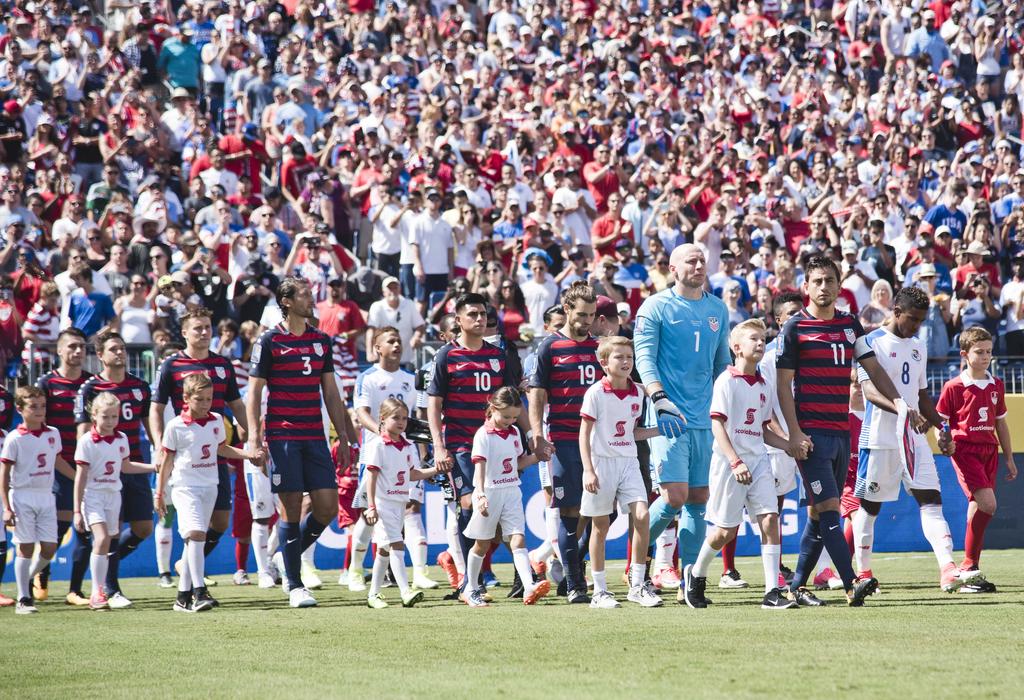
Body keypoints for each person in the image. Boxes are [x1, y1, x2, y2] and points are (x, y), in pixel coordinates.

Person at [776, 255, 910, 607]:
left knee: (819, 515)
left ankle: (795, 587)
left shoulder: (851, 325)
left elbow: (874, 369)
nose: (823, 287)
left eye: (829, 281)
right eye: (817, 281)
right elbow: (782, 386)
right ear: (806, 286)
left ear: (839, 286)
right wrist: (793, 434)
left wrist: (898, 402)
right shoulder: (794, 328)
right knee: (832, 508)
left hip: (842, 432)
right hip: (812, 435)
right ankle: (852, 583)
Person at [853, 286, 970, 593]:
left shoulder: (918, 345)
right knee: (870, 507)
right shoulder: (869, 342)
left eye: (921, 320)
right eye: (912, 319)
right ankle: (863, 573)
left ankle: (947, 569)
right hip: (880, 436)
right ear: (896, 311)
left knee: (931, 499)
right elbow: (869, 392)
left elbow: (921, 396)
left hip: (914, 436)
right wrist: (903, 410)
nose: (917, 326)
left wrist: (940, 427)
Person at [245, 277, 352, 608]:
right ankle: (294, 585)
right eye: (305, 296)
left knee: (327, 507)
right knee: (290, 507)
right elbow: (254, 392)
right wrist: (254, 436)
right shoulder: (270, 340)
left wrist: (344, 437)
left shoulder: (321, 341)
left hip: (315, 435)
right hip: (282, 434)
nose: (312, 301)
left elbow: (331, 393)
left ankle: (283, 557)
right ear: (287, 301)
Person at [633, 243, 731, 603]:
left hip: (706, 416)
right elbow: (644, 358)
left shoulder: (717, 309)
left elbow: (723, 363)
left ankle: (690, 579)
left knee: (699, 498)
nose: (699, 264)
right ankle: (637, 563)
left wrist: (726, 406)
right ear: (673, 269)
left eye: (702, 259)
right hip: (667, 416)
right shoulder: (656, 307)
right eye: (691, 260)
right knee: (673, 497)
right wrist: (659, 399)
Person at [682, 318, 797, 610]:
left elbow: (763, 429)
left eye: (763, 339)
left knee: (770, 519)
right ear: (736, 347)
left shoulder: (764, 385)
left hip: (758, 462)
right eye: (753, 339)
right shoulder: (726, 381)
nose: (760, 343)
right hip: (729, 464)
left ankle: (772, 592)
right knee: (724, 532)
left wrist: (789, 446)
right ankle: (696, 574)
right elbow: (717, 425)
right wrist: (735, 461)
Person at [427, 292, 520, 597]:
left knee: (491, 514)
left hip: (496, 445)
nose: (480, 320)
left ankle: (478, 574)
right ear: (459, 320)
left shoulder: (498, 356)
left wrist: (532, 437)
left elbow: (513, 400)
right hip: (460, 445)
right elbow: (434, 404)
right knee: (469, 504)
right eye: (473, 315)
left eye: (483, 314)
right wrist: (439, 447)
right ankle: (473, 582)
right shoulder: (446, 356)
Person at [150, 307, 248, 589]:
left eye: (207, 326)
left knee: (219, 521)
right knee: (191, 524)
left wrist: (251, 436)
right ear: (184, 333)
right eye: (197, 328)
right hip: (183, 457)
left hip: (214, 450)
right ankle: (191, 588)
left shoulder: (222, 364)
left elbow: (236, 405)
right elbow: (156, 409)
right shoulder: (171, 366)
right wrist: (158, 445)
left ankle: (186, 565)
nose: (204, 332)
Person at [157, 373, 262, 612]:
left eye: (209, 399)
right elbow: (167, 461)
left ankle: (182, 598)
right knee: (196, 534)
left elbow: (221, 449)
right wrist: (160, 492)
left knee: (194, 541)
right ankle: (199, 591)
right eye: (200, 399)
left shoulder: (216, 421)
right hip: (184, 487)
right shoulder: (175, 426)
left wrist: (248, 454)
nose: (205, 404)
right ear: (186, 398)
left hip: (209, 486)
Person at [347, 327, 437, 592]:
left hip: (406, 453)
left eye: (399, 340)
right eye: (391, 341)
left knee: (411, 507)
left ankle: (419, 572)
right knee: (369, 513)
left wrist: (422, 452)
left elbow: (419, 417)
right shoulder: (367, 378)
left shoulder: (411, 379)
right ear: (377, 348)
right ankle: (355, 569)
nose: (397, 344)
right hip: (376, 452)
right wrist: (384, 435)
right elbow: (361, 413)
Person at [528, 281, 601, 603]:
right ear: (567, 310)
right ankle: (574, 583)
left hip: (600, 442)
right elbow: (537, 395)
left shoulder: (601, 348)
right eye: (582, 314)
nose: (586, 321)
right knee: (570, 510)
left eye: (592, 315)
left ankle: (572, 562)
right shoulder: (549, 347)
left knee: (604, 512)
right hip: (564, 439)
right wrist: (537, 435)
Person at [579, 336, 663, 608]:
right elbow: (585, 434)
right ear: (603, 363)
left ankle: (637, 585)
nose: (626, 362)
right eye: (619, 357)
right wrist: (588, 470)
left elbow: (632, 432)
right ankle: (600, 591)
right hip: (601, 463)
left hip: (628, 462)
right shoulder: (595, 393)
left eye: (630, 357)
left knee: (642, 514)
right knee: (600, 525)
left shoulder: (639, 392)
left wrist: (660, 430)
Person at [75, 330, 154, 610]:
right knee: (110, 532)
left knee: (144, 528)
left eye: (122, 348)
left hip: (131, 461)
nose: (120, 353)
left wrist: (159, 455)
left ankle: (107, 563)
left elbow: (149, 424)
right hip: (103, 469)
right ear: (100, 355)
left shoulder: (140, 386)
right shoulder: (90, 388)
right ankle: (110, 588)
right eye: (113, 349)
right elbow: (84, 429)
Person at [936, 327, 1018, 593]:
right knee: (988, 504)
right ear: (964, 354)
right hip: (966, 450)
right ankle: (968, 566)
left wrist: (1009, 457)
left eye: (989, 352)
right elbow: (941, 422)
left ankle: (971, 575)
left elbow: (1001, 425)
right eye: (979, 352)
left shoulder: (996, 384)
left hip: (989, 450)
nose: (986, 357)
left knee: (976, 508)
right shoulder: (954, 386)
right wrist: (944, 440)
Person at [459, 387, 551, 608]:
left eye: (514, 417)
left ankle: (529, 586)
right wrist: (479, 495)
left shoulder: (513, 433)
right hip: (490, 493)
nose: (510, 421)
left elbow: (517, 463)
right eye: (506, 416)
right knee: (481, 545)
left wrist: (539, 456)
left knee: (518, 539)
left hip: (511, 491)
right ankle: (470, 589)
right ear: (492, 408)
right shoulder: (483, 435)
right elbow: (479, 468)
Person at [1, 386, 73, 614]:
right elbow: (3, 474)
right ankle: (24, 599)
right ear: (20, 409)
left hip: (45, 496)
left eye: (43, 406)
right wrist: (6, 506)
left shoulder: (53, 433)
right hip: (22, 495)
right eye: (34, 406)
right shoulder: (14, 438)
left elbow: (57, 461)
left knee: (50, 547)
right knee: (26, 547)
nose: (40, 410)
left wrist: (80, 476)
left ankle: (28, 579)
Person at [363, 398, 440, 609]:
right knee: (396, 543)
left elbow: (412, 474)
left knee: (384, 549)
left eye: (404, 418)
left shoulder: (407, 446)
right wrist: (371, 506)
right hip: (383, 502)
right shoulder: (378, 445)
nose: (401, 422)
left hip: (399, 502)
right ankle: (405, 591)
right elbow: (372, 476)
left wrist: (436, 469)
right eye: (395, 417)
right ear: (382, 418)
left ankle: (373, 594)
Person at [35, 328, 93, 606]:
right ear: (59, 350)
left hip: (87, 466)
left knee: (85, 527)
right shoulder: (46, 383)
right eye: (72, 346)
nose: (78, 351)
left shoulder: (92, 384)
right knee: (59, 525)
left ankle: (75, 590)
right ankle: (42, 570)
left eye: (81, 346)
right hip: (57, 466)